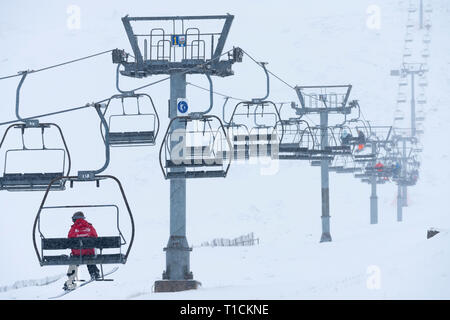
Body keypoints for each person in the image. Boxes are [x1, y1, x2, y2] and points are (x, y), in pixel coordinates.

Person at [63, 211, 101, 291]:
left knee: (73, 261)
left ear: (74, 219)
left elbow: (69, 240)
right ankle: (94, 273)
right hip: (89, 253)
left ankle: (70, 281)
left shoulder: (73, 228)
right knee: (89, 257)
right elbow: (95, 238)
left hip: (77, 254)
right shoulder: (90, 227)